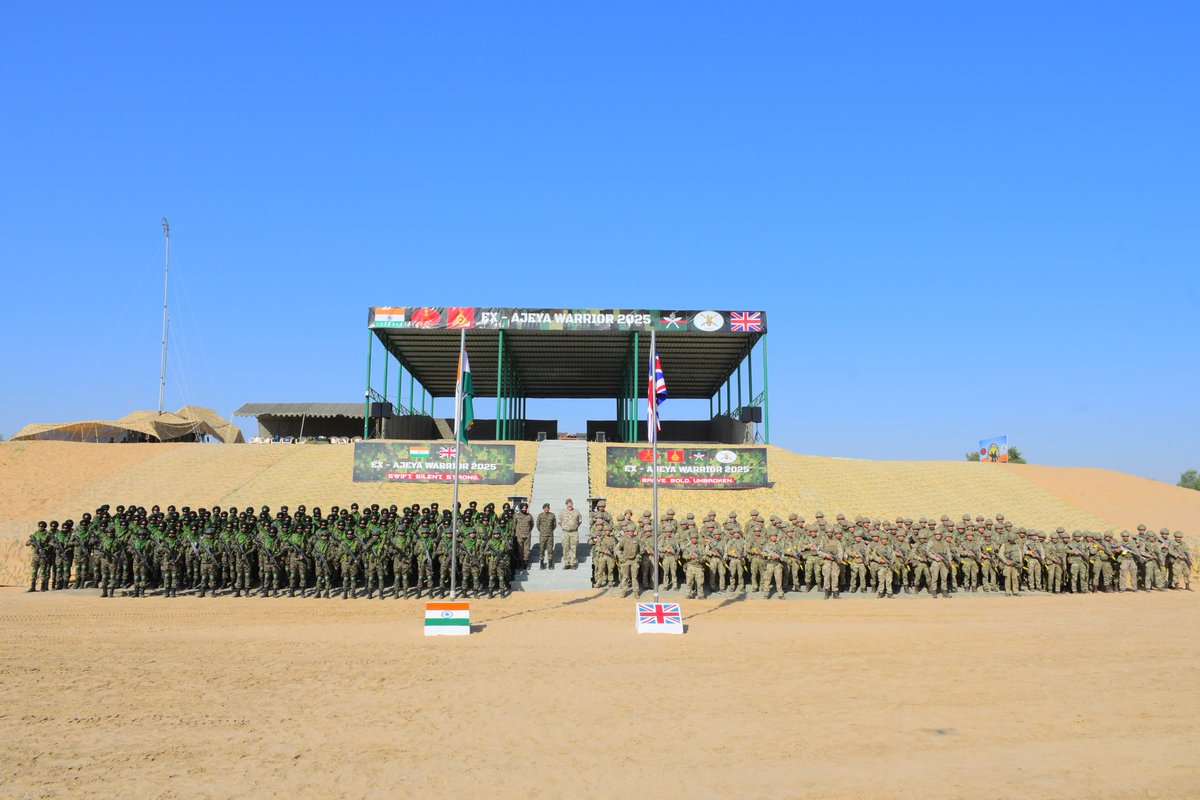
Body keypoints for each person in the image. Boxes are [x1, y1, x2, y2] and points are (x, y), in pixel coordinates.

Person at [558, 499, 582, 569]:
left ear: (572, 504)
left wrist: (575, 527)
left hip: (574, 532)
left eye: (571, 503)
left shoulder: (576, 511)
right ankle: (566, 563)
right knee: (565, 548)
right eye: (568, 503)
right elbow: (559, 521)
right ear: (566, 504)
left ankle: (572, 563)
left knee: (573, 548)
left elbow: (580, 520)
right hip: (565, 532)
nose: (570, 504)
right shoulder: (563, 512)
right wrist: (564, 527)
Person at [513, 503, 534, 570]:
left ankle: (525, 563)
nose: (524, 509)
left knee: (526, 550)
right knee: (520, 550)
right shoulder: (516, 515)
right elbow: (514, 525)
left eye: (525, 508)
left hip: (527, 535)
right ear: (521, 508)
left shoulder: (529, 516)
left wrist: (528, 530)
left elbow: (532, 525)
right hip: (519, 535)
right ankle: (520, 563)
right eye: (523, 508)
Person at [536, 503, 557, 569]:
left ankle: (550, 563)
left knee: (550, 550)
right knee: (541, 549)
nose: (546, 509)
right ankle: (541, 563)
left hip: (550, 535)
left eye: (547, 508)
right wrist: (542, 531)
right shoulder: (540, 515)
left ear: (549, 508)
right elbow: (537, 525)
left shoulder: (552, 515)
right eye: (545, 508)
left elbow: (554, 525)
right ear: (543, 509)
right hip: (542, 536)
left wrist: (550, 530)